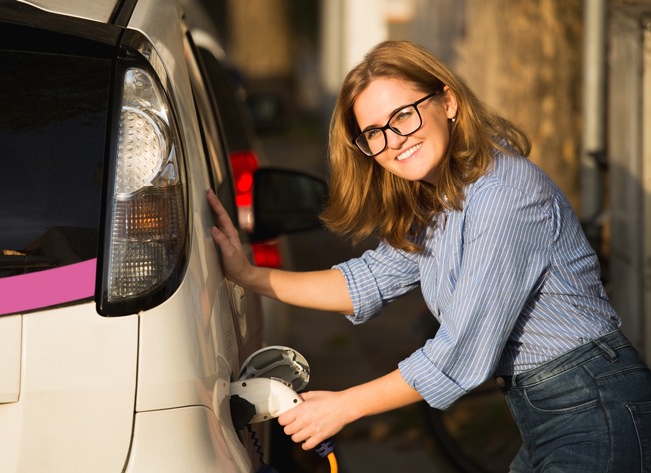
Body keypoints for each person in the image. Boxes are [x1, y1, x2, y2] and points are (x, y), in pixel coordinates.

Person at [208, 40, 651, 472]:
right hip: (551, 410)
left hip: (594, 407)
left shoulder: (503, 196)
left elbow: (461, 348)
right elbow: (368, 281)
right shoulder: (444, 197)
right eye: (374, 133)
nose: (394, 140)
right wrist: (249, 275)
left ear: (449, 102)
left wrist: (344, 406)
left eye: (403, 115)